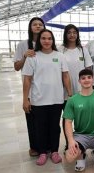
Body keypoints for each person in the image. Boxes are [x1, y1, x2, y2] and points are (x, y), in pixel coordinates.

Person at [22, 29, 72, 165]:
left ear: (53, 41)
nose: (46, 41)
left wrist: (70, 94)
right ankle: (43, 152)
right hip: (38, 100)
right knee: (40, 127)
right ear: (39, 40)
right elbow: (27, 79)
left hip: (57, 99)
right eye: (43, 38)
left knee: (55, 127)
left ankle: (54, 151)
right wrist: (25, 99)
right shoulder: (33, 57)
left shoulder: (59, 56)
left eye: (49, 38)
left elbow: (65, 76)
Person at [13, 17, 45, 157]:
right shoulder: (22, 45)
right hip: (30, 88)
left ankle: (47, 146)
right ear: (30, 27)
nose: (38, 26)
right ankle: (34, 146)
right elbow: (16, 67)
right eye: (35, 24)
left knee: (45, 119)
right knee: (31, 119)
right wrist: (25, 56)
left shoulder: (47, 43)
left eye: (40, 24)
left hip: (45, 88)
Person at [58, 24, 93, 148]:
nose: (72, 35)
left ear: (77, 34)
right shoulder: (60, 49)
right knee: (67, 117)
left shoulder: (82, 50)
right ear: (65, 34)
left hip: (81, 90)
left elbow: (88, 69)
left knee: (82, 116)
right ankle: (69, 142)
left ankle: (82, 142)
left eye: (74, 32)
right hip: (65, 90)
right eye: (69, 32)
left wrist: (89, 86)